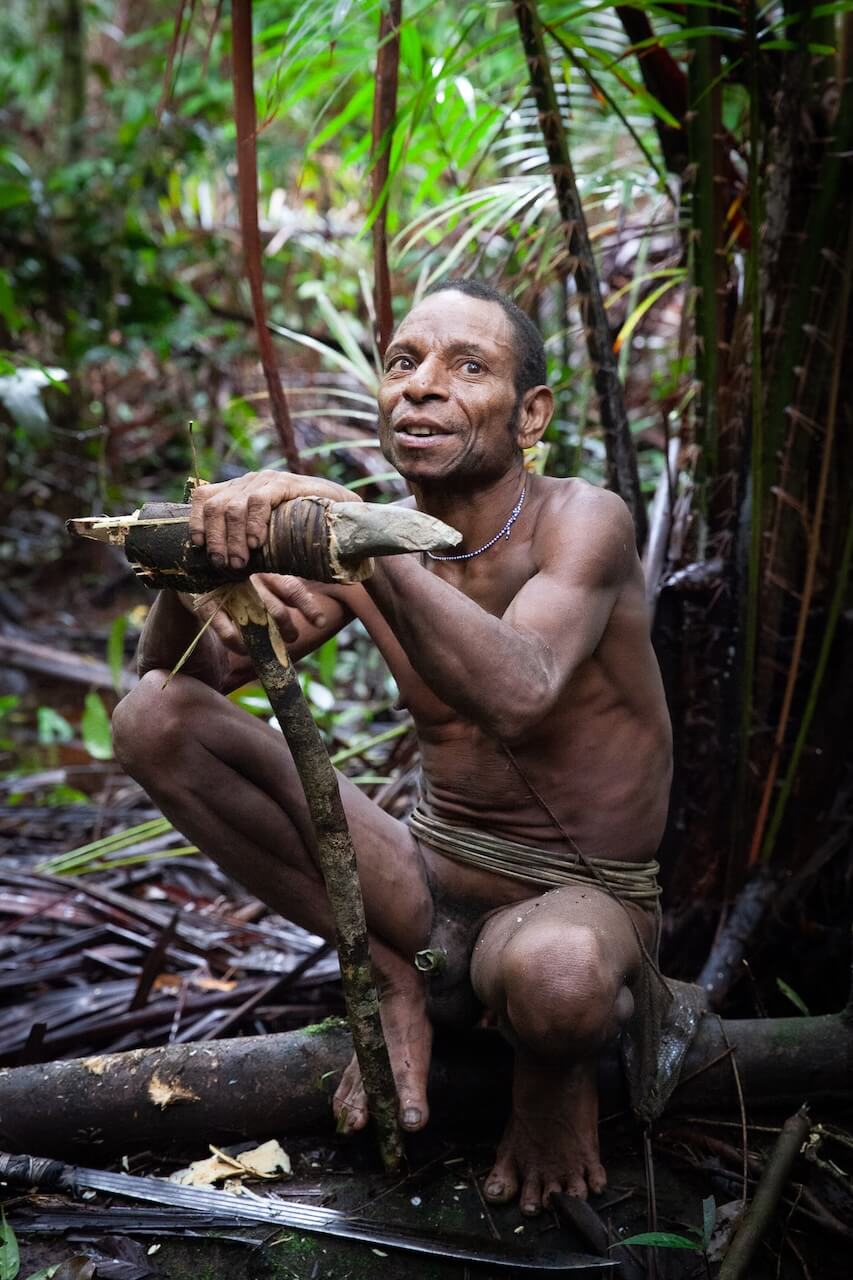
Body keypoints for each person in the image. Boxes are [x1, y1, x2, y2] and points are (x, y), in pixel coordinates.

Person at [112, 279, 673, 1215]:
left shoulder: (583, 520)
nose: (420, 385)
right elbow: (187, 678)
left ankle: (550, 1078)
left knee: (559, 979)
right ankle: (386, 973)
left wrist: (360, 534)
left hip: (574, 898)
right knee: (149, 717)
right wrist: (195, 567)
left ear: (531, 414)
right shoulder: (361, 539)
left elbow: (521, 691)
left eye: (467, 366)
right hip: (420, 886)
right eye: (402, 362)